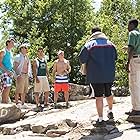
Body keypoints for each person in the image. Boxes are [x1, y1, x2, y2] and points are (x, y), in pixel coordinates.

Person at [79, 27, 117, 127]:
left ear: (92, 34)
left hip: (96, 75)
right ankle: (110, 110)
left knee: (99, 96)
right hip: (109, 74)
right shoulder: (110, 44)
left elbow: (82, 59)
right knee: (108, 93)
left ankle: (100, 119)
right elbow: (115, 57)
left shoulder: (89, 44)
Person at [125, 19, 140, 116]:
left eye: (128, 25)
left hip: (135, 60)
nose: (127, 27)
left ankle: (136, 109)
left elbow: (131, 49)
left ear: (132, 25)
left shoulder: (132, 34)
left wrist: (127, 62)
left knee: (134, 84)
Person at [13, 44, 32, 108]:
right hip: (20, 74)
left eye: (25, 48)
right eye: (23, 48)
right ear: (20, 49)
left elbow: (28, 66)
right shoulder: (17, 57)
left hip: (26, 75)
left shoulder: (27, 57)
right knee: (18, 90)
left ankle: (23, 103)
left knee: (24, 90)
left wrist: (30, 75)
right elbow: (15, 67)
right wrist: (17, 75)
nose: (24, 49)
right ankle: (16, 103)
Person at [0, 38, 15, 103]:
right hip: (4, 73)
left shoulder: (11, 52)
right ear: (8, 43)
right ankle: (4, 104)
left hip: (9, 73)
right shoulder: (3, 51)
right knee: (6, 88)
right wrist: (7, 71)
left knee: (8, 88)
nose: (13, 44)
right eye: (12, 43)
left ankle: (5, 104)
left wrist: (12, 71)